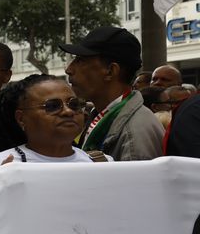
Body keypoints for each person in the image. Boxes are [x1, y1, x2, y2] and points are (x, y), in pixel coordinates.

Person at [62, 26, 165, 161]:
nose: (68, 69)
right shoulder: (103, 115)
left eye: (81, 60)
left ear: (110, 71)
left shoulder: (134, 133)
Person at [0, 74, 101, 179]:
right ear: (21, 119)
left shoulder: (101, 164)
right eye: (52, 106)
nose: (68, 111)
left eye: (74, 104)